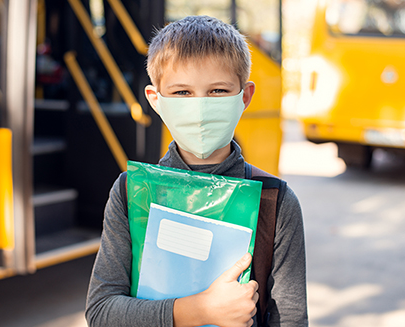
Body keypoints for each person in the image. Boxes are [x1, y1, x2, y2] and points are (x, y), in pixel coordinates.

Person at [85, 15, 308, 327]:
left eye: (217, 91)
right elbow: (101, 313)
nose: (200, 107)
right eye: (182, 93)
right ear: (155, 100)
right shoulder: (130, 192)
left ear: (244, 96)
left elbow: (291, 320)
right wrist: (202, 311)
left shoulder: (276, 202)